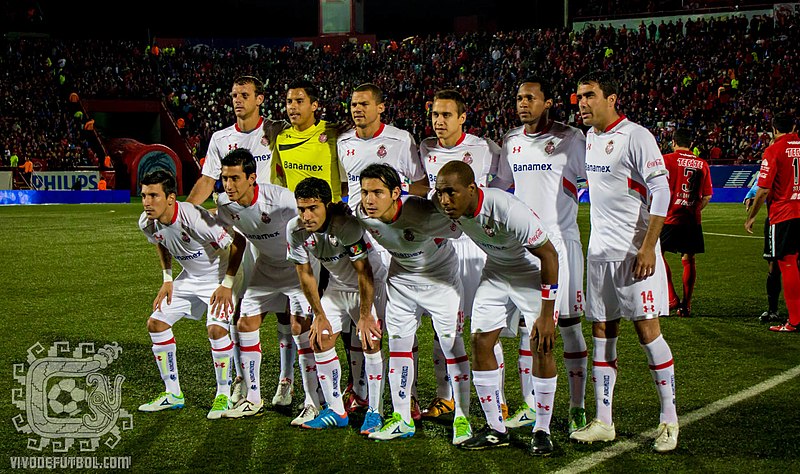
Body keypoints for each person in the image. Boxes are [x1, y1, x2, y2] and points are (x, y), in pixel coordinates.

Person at [569, 70, 679, 453]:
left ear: (611, 99)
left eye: (589, 95)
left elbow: (662, 191)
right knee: (602, 331)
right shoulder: (590, 139)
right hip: (599, 255)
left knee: (647, 332)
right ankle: (604, 420)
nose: (582, 103)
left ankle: (669, 420)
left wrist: (649, 247)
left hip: (635, 256)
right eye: (579, 97)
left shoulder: (636, 136)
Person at [185, 75, 295, 411]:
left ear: (260, 99)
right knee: (234, 306)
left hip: (274, 227)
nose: (237, 100)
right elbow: (207, 179)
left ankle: (285, 381)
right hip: (238, 229)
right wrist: (186, 215)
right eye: (234, 95)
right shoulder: (221, 138)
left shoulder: (276, 132)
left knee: (285, 311)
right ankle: (241, 380)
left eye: (244, 95)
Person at [435, 161, 560, 455]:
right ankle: (495, 429)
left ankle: (542, 429)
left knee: (541, 344)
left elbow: (549, 256)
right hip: (496, 271)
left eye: (451, 193)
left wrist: (546, 314)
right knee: (480, 341)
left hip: (531, 271)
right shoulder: (444, 205)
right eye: (440, 193)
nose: (444, 200)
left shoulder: (506, 209)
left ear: (472, 189)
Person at [491, 77, 589, 434]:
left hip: (562, 245)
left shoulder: (571, 139)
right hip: (522, 248)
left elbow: (591, 180)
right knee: (525, 329)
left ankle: (577, 407)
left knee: (568, 326)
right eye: (518, 97)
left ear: (548, 102)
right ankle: (532, 405)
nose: (522, 103)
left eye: (530, 97)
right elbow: (501, 187)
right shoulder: (511, 141)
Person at [356, 163, 473, 445]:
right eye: (364, 192)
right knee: (398, 348)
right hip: (401, 282)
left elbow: (465, 220)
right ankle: (401, 418)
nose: (369, 200)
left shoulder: (426, 214)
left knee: (451, 347)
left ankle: (463, 419)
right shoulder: (361, 214)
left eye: (377, 192)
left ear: (396, 193)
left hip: (440, 281)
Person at [336, 82, 428, 415]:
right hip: (359, 240)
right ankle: (361, 391)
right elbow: (348, 189)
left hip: (393, 240)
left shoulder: (401, 140)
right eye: (353, 104)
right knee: (359, 319)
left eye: (363, 103)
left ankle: (410, 394)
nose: (357, 109)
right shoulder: (343, 142)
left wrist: (395, 193)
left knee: (400, 321)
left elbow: (420, 184)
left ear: (380, 108)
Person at [214, 148, 321, 422]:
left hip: (298, 266)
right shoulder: (226, 204)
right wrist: (227, 282)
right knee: (244, 324)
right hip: (266, 266)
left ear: (252, 178)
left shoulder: (281, 200)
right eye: (225, 178)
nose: (229, 185)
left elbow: (311, 229)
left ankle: (312, 401)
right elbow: (237, 239)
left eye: (235, 178)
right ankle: (253, 398)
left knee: (299, 329)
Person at [418, 88, 504, 421]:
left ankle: (497, 400)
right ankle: (445, 397)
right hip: (439, 246)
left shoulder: (484, 149)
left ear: (462, 117)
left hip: (475, 247)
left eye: (446, 115)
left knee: (484, 327)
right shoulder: (425, 149)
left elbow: (503, 184)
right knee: (444, 327)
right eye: (435, 115)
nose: (439, 121)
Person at [137, 169, 246, 419]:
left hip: (220, 278)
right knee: (156, 323)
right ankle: (173, 393)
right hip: (189, 278)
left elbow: (239, 243)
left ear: (171, 198)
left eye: (153, 195)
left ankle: (223, 395)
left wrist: (227, 284)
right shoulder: (147, 222)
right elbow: (160, 241)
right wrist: (167, 279)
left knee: (216, 329)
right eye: (143, 195)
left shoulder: (195, 218)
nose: (147, 202)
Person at [286, 177, 388, 433]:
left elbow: (364, 272)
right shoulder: (294, 229)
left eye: (313, 208)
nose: (307, 215)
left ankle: (375, 412)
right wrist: (318, 314)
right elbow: (305, 274)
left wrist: (365, 315)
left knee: (370, 341)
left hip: (368, 285)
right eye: (302, 209)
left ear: (327, 206)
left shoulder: (346, 226)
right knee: (320, 339)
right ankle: (336, 410)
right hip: (337, 287)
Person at [745, 112, 800, 332]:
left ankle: (794, 321)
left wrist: (751, 217)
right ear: (794, 126)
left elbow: (764, 188)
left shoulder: (774, 150)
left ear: (774, 129)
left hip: (784, 214)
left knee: (786, 264)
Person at [660, 128, 713, 318]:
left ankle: (671, 296)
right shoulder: (702, 164)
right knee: (688, 259)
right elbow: (706, 196)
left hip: (669, 217)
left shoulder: (665, 160)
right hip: (691, 219)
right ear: (691, 145)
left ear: (673, 142)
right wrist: (694, 209)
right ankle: (686, 306)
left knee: (657, 254)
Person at [272, 79, 348, 201]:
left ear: (314, 106)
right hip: (298, 213)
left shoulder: (334, 133)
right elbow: (280, 178)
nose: (292, 107)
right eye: (289, 102)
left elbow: (349, 180)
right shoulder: (281, 138)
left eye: (299, 101)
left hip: (329, 214)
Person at [744, 182, 782, 323]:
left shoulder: (775, 159)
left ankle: (773, 310)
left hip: (780, 217)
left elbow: (762, 187)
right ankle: (794, 311)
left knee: (774, 263)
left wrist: (751, 216)